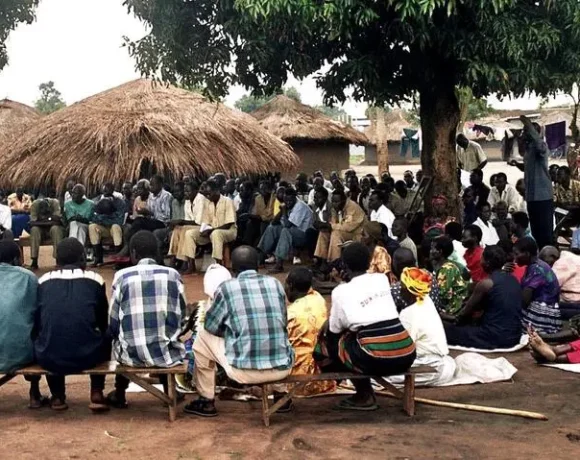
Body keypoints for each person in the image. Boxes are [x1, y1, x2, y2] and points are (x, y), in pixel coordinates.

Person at [184, 246, 294, 417]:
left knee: (202, 338)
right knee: (275, 333)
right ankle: (281, 395)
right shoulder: (275, 284)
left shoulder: (226, 288)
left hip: (243, 372)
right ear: (258, 265)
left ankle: (206, 400)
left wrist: (233, 333)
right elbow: (282, 321)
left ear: (232, 268)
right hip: (282, 368)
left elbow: (211, 326)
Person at [313, 243, 416, 411]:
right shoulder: (381, 279)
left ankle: (363, 394)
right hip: (406, 353)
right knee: (357, 339)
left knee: (325, 345)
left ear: (344, 266)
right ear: (369, 262)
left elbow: (334, 331)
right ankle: (363, 392)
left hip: (376, 358)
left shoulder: (341, 291)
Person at [106, 231, 186, 408]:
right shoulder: (172, 275)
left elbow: (113, 322)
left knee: (123, 335)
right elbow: (181, 315)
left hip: (130, 355)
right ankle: (168, 391)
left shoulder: (122, 277)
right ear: (157, 252)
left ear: (133, 254)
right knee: (164, 334)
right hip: (166, 353)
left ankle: (120, 393)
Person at [34, 238, 111, 411]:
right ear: (83, 258)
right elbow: (102, 320)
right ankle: (97, 392)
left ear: (57, 260)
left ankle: (58, 396)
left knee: (51, 334)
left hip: (50, 355)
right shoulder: (95, 279)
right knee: (106, 335)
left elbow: (39, 320)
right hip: (89, 355)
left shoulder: (43, 280)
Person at [444, 245, 523, 349]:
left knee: (445, 329)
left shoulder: (486, 284)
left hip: (495, 337)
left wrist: (444, 316)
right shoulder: (513, 280)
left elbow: (462, 316)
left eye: (482, 258)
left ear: (487, 262)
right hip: (515, 336)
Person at [391, 267, 456, 387]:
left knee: (376, 376)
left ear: (408, 291)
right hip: (444, 365)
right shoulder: (426, 301)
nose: (400, 290)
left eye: (402, 287)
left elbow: (402, 349)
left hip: (430, 366)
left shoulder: (409, 312)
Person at [0, 241, 44, 408]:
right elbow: (38, 313)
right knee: (35, 329)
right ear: (15, 259)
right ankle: (34, 392)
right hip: (19, 353)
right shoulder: (28, 277)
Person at [284, 267, 335, 396]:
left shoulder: (291, 313)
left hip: (298, 381)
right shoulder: (318, 299)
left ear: (290, 286)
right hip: (324, 378)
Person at [509, 116, 554, 249]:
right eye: (525, 131)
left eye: (527, 131)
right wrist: (517, 164)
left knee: (545, 233)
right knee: (535, 231)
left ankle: (548, 259)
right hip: (532, 197)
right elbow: (528, 169)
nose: (525, 133)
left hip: (543, 196)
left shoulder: (542, 148)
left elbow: (539, 145)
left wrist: (528, 125)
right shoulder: (528, 152)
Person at [514, 237, 562, 335]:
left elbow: (525, 300)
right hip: (548, 311)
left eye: (517, 254)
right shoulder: (537, 265)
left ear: (527, 254)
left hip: (543, 315)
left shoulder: (537, 269)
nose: (514, 258)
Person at [259, 188, 312, 273]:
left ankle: (279, 264)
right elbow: (274, 222)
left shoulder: (300, 206)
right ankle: (261, 256)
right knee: (272, 228)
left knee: (285, 231)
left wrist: (284, 210)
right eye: (286, 200)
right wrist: (281, 210)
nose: (288, 202)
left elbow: (288, 225)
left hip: (305, 235)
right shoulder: (287, 205)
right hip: (294, 232)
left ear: (295, 198)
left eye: (290, 200)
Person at [314, 190, 366, 266]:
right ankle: (321, 259)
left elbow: (348, 227)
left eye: (336, 202)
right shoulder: (335, 208)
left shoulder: (352, 207)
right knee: (324, 232)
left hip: (357, 234)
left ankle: (334, 262)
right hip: (344, 232)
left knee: (336, 234)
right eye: (333, 201)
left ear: (343, 201)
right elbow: (333, 223)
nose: (334, 204)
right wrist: (326, 226)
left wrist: (330, 226)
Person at [192, 179, 237, 265]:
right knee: (190, 233)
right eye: (206, 194)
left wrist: (211, 230)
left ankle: (218, 264)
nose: (208, 196)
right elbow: (206, 222)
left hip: (229, 231)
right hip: (212, 231)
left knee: (216, 233)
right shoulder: (208, 203)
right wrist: (204, 230)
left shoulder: (227, 201)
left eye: (209, 193)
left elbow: (229, 224)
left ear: (216, 191)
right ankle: (191, 265)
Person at [169, 182, 206, 272]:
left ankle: (185, 263)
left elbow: (199, 222)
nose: (186, 193)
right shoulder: (187, 201)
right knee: (177, 229)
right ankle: (173, 259)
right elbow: (187, 220)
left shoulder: (201, 199)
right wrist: (181, 223)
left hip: (203, 227)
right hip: (192, 226)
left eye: (188, 191)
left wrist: (181, 221)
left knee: (184, 230)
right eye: (185, 191)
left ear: (196, 191)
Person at [430, 236, 468, 315]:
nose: (430, 251)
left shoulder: (447, 269)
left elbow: (442, 294)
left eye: (433, 248)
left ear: (440, 251)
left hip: (455, 307)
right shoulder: (445, 265)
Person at [539, 247, 580, 321]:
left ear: (553, 256)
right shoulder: (571, 257)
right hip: (574, 299)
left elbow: (550, 286)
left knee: (547, 310)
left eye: (547, 263)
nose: (549, 267)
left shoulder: (560, 263)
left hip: (575, 300)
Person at [89, 184, 126, 266]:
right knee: (92, 227)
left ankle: (118, 261)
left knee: (115, 227)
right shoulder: (96, 201)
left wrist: (102, 218)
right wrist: (109, 217)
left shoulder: (120, 203)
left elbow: (119, 220)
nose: (106, 192)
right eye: (105, 190)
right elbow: (93, 218)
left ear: (113, 191)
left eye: (108, 190)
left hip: (115, 228)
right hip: (103, 228)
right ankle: (98, 259)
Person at [28, 197, 65, 270]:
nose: (44, 214)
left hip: (53, 229)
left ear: (49, 207)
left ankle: (58, 259)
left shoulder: (55, 203)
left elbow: (57, 221)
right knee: (34, 230)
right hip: (40, 230)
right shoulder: (34, 205)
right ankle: (34, 261)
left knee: (56, 229)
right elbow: (32, 223)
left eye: (46, 212)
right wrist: (49, 219)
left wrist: (41, 220)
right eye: (42, 213)